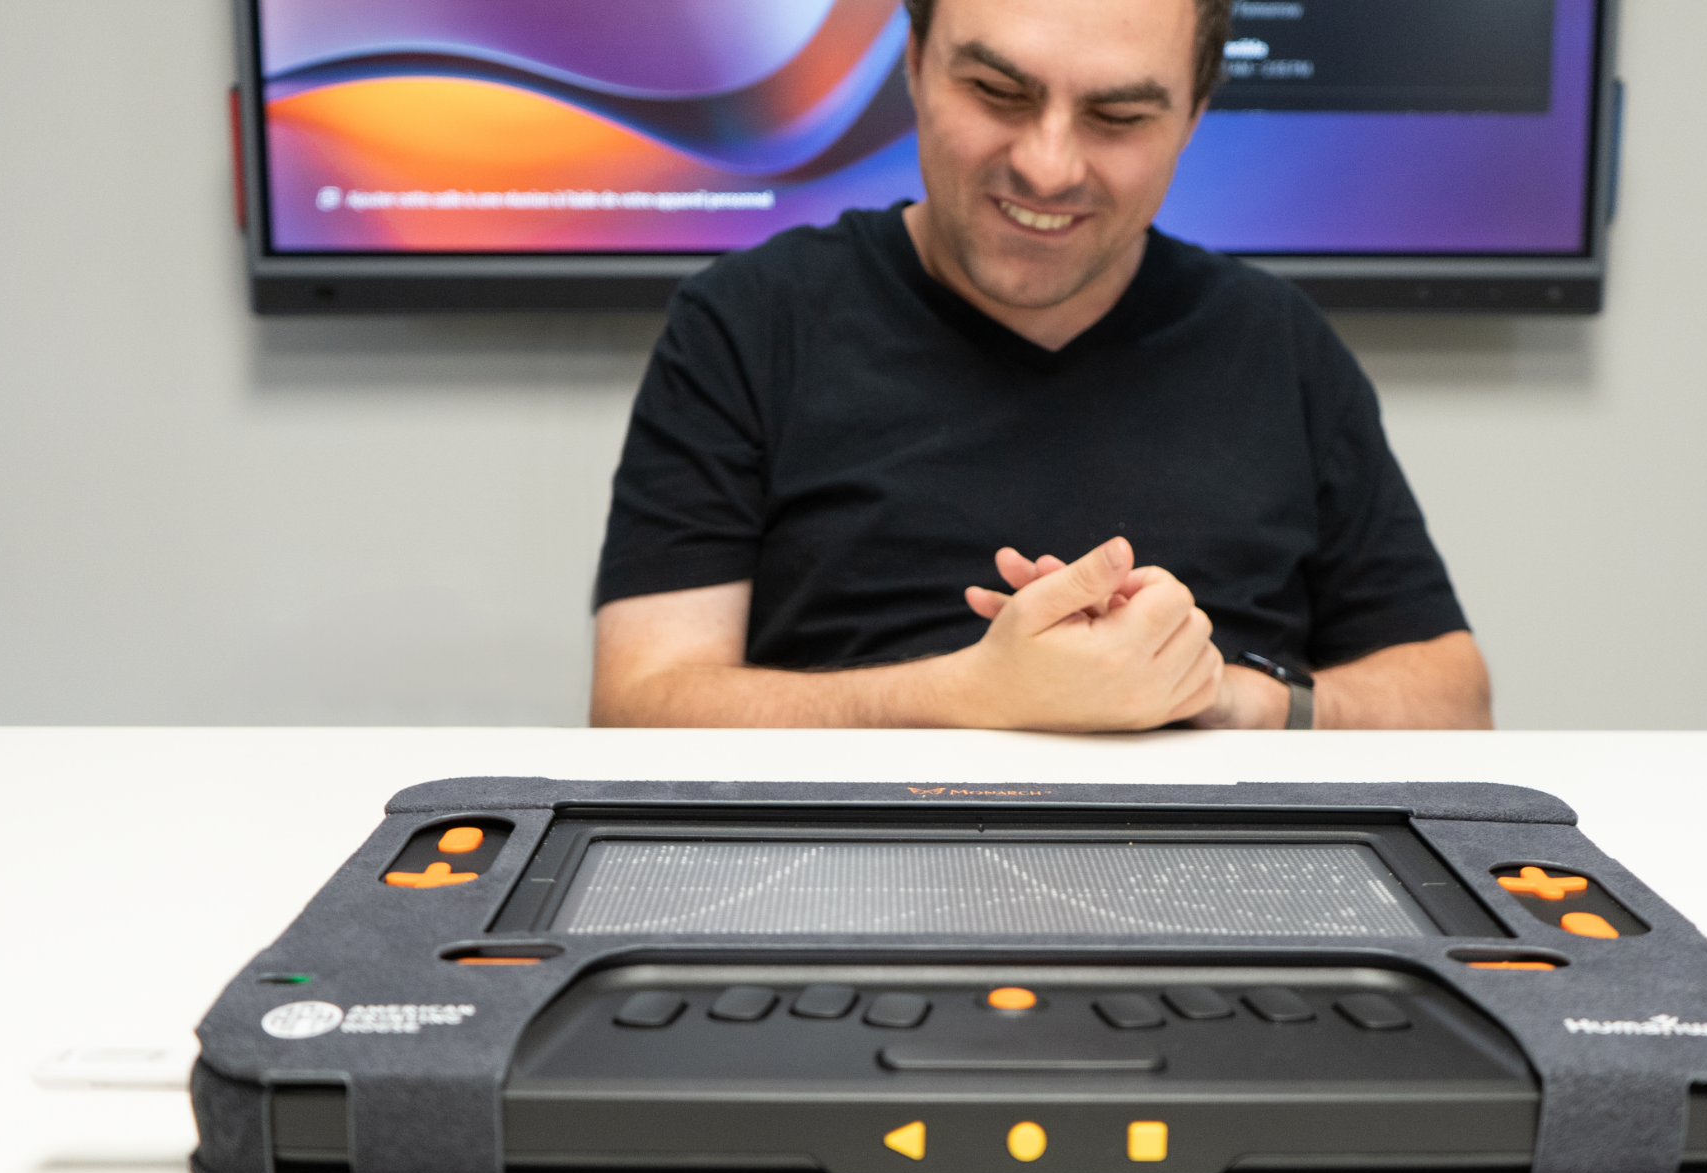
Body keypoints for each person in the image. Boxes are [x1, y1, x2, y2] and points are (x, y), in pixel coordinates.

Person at [589, 0, 1491, 732]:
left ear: (1192, 118)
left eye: (1118, 117)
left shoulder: (1278, 341)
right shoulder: (749, 321)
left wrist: (1228, 694)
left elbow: (1455, 701)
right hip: (845, 871)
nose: (1047, 166)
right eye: (997, 92)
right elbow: (641, 704)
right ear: (913, 64)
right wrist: (969, 695)